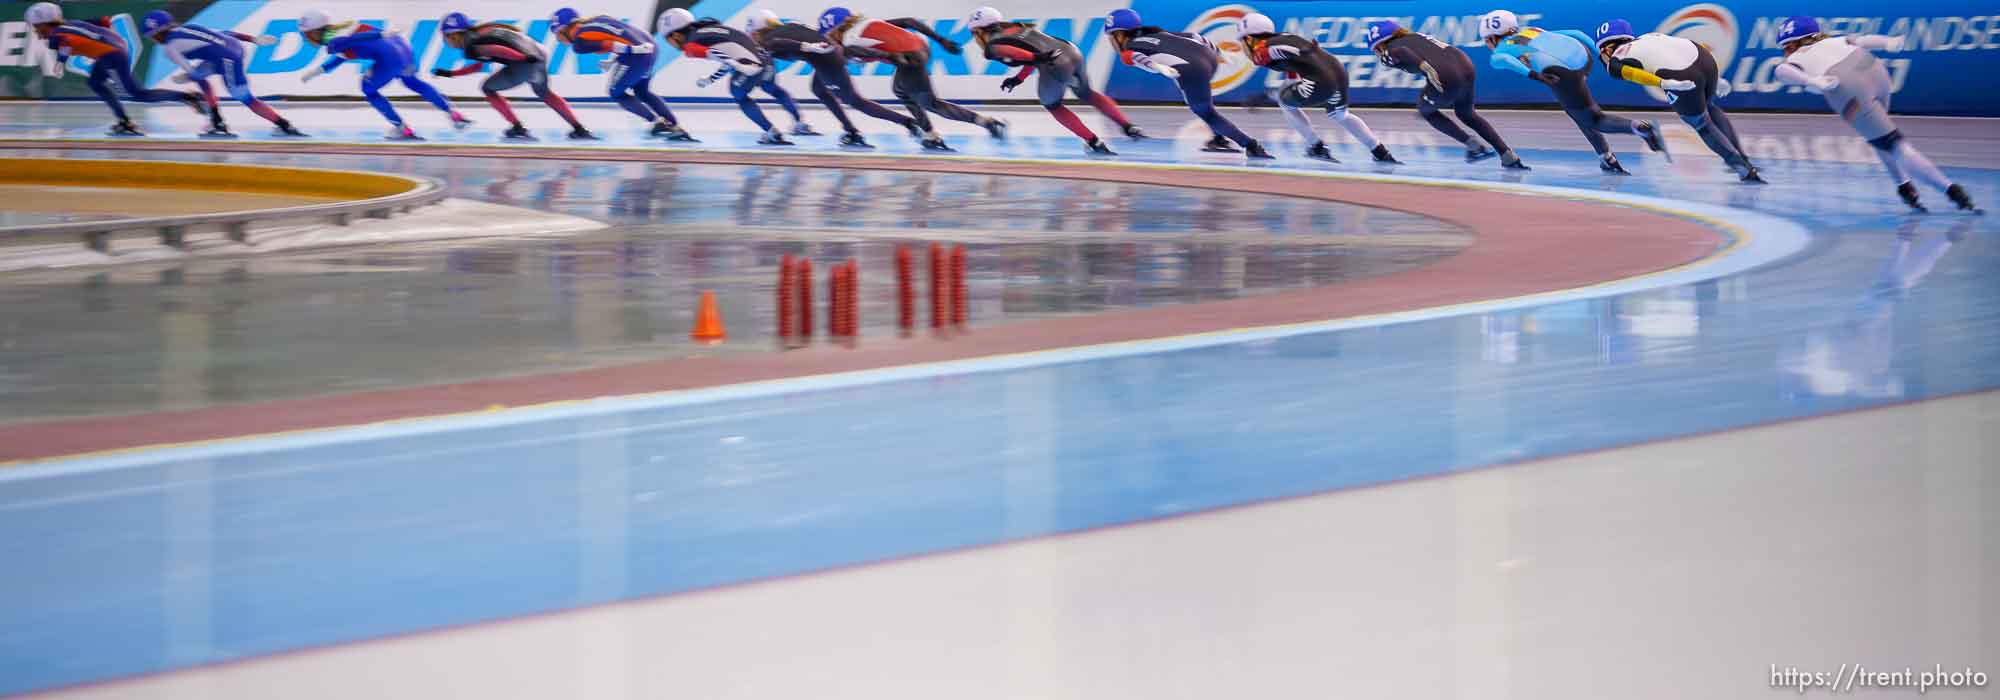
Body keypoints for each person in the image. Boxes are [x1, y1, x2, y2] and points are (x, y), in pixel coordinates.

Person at [1772, 16, 1975, 211]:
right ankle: (1903, 185)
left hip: (1847, 88)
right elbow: (1864, 40)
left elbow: (1781, 71)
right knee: (1879, 137)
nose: (1786, 53)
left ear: (1793, 44)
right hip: (1874, 70)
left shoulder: (1797, 57)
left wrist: (1811, 82)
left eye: (1786, 48)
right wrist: (1889, 42)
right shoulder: (1836, 40)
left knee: (1896, 147)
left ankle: (1951, 190)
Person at [1479, 10, 1662, 173]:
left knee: (1594, 119)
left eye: (1487, 40)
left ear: (1493, 37)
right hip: (1582, 56)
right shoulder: (1532, 30)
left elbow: (1503, 60)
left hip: (1560, 72)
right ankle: (1606, 158)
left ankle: (1639, 128)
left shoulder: (1499, 51)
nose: (1487, 44)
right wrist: (1603, 58)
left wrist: (1535, 75)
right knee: (1578, 112)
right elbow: (1576, 33)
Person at [1595, 19, 1762, 182]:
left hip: (1680, 74)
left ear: (1606, 50)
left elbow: (1635, 75)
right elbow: (1683, 46)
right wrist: (1716, 78)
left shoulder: (1614, 61)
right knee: (1709, 106)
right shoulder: (1651, 36)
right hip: (1703, 57)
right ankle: (1742, 156)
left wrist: (1662, 82)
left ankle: (1743, 169)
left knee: (1702, 125)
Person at [821, 7, 1004, 151]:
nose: (831, 40)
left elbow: (852, 52)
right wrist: (941, 40)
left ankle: (986, 123)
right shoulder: (869, 23)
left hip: (908, 57)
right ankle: (930, 135)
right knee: (901, 90)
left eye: (829, 35)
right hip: (919, 48)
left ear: (836, 30)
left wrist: (889, 56)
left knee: (931, 103)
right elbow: (909, 21)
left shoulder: (848, 41)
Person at [1103, 9, 1270, 159]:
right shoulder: (1159, 33)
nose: (1111, 42)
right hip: (1208, 58)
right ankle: (1218, 137)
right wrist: (1220, 54)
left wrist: (1157, 67)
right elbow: (1195, 37)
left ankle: (1250, 145)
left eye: (1111, 37)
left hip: (1190, 68)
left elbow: (1133, 57)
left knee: (1205, 112)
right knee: (1198, 100)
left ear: (1120, 35)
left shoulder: (1129, 48)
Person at [967, 6, 1134, 155]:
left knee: (1052, 105)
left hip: (1054, 62)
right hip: (1071, 50)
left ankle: (1094, 142)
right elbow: (1033, 56)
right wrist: (1019, 78)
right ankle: (1129, 127)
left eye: (973, 35)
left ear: (979, 31)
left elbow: (1015, 52)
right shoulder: (1016, 27)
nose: (974, 40)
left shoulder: (991, 47)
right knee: (1086, 93)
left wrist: (1038, 57)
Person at [1234, 12, 1398, 163]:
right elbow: (1294, 62)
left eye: (1242, 42)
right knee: (1340, 114)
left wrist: (1267, 96)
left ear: (1249, 39)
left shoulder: (1263, 51)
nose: (1243, 48)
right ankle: (1380, 151)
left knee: (1284, 100)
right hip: (1338, 71)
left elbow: (1294, 54)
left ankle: (1316, 146)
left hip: (1321, 79)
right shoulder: (1283, 37)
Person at [26, 2, 204, 136]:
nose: (36, 31)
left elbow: (66, 42)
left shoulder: (55, 36)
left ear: (45, 22)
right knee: (95, 82)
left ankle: (186, 97)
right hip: (114, 49)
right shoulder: (72, 23)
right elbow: (104, 21)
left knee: (137, 94)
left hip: (111, 54)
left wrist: (60, 62)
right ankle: (124, 121)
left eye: (36, 27)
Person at [747, 10, 919, 148]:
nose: (753, 39)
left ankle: (909, 123)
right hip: (829, 52)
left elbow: (778, 44)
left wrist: (807, 47)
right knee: (819, 89)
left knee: (855, 101)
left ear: (757, 32)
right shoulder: (791, 25)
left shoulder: (768, 40)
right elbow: (812, 36)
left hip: (825, 57)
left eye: (753, 35)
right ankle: (850, 130)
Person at [1369, 20, 1526, 169]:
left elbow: (1401, 52)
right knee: (1466, 114)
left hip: (1444, 73)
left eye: (1375, 50)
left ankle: (1473, 145)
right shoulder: (1415, 36)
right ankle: (1507, 155)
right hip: (1465, 64)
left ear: (1380, 45)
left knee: (1425, 110)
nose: (1377, 54)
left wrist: (1426, 68)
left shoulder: (1387, 51)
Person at [298, 9, 470, 140]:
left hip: (389, 57)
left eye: (307, 35)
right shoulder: (340, 28)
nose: (307, 39)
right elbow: (342, 55)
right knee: (413, 82)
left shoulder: (333, 42)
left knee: (368, 88)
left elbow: (352, 41)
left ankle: (402, 128)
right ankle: (453, 114)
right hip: (404, 48)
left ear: (316, 31)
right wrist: (316, 72)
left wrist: (379, 34)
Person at [140, 10, 303, 138]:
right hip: (233, 48)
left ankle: (283, 124)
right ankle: (217, 122)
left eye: (153, 37)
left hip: (227, 58)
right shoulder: (188, 27)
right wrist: (254, 39)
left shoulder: (170, 49)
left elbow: (202, 83)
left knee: (244, 97)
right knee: (198, 74)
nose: (155, 40)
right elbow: (227, 33)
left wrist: (214, 111)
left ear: (156, 34)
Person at [432, 12, 593, 141]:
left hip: (525, 60)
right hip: (538, 53)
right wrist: (451, 74)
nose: (446, 41)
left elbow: (495, 50)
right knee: (545, 94)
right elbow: (480, 65)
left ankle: (518, 128)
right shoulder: (480, 32)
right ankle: (579, 128)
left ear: (453, 35)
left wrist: (522, 58)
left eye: (446, 37)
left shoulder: (471, 45)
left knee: (487, 88)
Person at [550, 7, 694, 141]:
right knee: (642, 91)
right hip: (651, 46)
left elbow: (610, 45)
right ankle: (675, 126)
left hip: (638, 53)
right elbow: (622, 36)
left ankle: (658, 122)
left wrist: (635, 51)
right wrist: (614, 60)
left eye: (557, 35)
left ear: (564, 29)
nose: (559, 40)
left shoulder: (579, 43)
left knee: (616, 92)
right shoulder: (598, 18)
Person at [658, 8, 797, 144]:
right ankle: (799, 122)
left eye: (667, 40)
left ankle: (772, 132)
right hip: (767, 62)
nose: (670, 45)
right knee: (772, 88)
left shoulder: (690, 46)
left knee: (739, 95)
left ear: (676, 35)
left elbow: (716, 54)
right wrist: (711, 79)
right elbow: (729, 56)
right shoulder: (709, 30)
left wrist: (739, 66)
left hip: (750, 66)